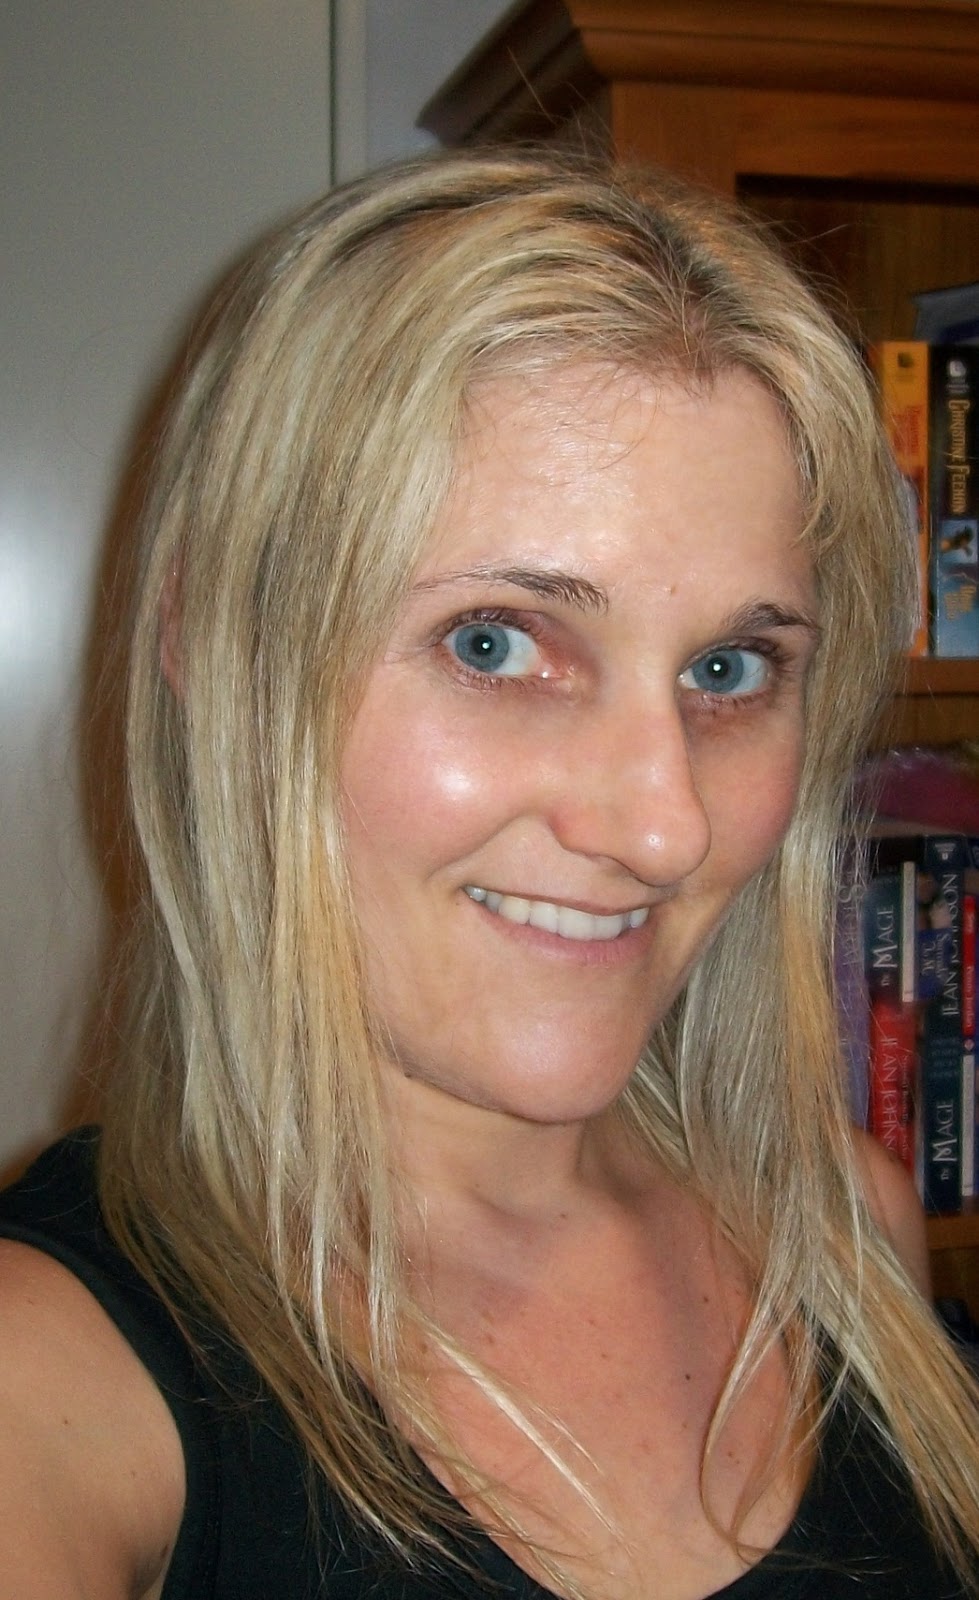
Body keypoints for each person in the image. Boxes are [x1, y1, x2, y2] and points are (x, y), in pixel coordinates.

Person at [1, 146, 977, 1600]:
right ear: (214, 648)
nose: (664, 826)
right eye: (496, 643)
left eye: (729, 669)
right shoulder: (50, 1393)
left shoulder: (845, 1235)